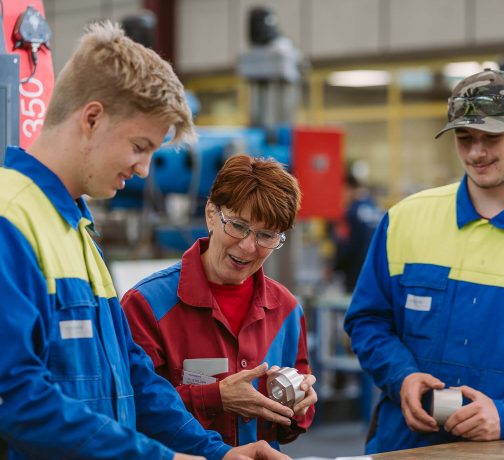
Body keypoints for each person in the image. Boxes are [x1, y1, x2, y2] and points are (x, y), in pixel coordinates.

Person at [0, 21, 288, 460]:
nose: (144, 170)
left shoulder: (74, 226)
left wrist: (216, 453)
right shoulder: (10, 219)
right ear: (92, 118)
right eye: (140, 145)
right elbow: (16, 398)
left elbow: (131, 374)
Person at [344, 68, 504, 453]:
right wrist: (401, 376)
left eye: (491, 137)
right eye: (465, 138)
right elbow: (368, 321)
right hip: (407, 445)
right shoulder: (405, 220)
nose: (476, 153)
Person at [121, 154, 317, 448]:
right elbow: (130, 408)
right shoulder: (146, 305)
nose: (249, 247)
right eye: (238, 226)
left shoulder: (286, 309)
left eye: (266, 235)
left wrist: (299, 405)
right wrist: (216, 398)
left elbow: (289, 428)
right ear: (211, 214)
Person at [332, 171, 383, 293]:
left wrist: (335, 268)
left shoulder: (351, 213)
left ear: (349, 188)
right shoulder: (375, 206)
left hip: (355, 274)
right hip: (376, 272)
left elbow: (346, 246)